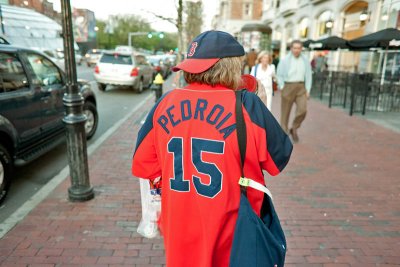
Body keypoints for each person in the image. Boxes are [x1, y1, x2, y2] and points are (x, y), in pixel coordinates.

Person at [131, 30, 293, 267]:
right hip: (233, 231)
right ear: (232, 65)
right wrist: (260, 101)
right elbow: (279, 157)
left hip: (179, 228)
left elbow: (144, 165)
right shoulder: (246, 105)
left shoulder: (163, 104)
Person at [277, 40, 312, 143]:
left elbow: (309, 75)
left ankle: (294, 128)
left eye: (299, 48)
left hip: (301, 87)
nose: (296, 50)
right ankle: (284, 132)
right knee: (285, 113)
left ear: (301, 49)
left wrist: (308, 89)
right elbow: (279, 74)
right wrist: (282, 86)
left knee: (303, 110)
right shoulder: (284, 60)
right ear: (291, 49)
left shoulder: (305, 60)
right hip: (288, 86)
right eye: (295, 48)